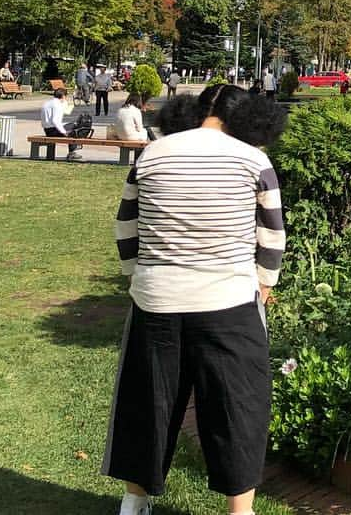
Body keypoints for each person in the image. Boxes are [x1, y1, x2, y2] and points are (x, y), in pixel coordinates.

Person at [103, 85, 287, 515]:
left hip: (156, 299)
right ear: (248, 117)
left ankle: (134, 502)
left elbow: (125, 226)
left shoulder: (153, 153)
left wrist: (138, 278)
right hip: (228, 299)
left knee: (147, 402)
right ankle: (240, 512)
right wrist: (264, 283)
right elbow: (272, 232)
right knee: (238, 406)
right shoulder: (254, 159)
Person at [41, 88, 82, 161]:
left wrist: (68, 104)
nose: (66, 98)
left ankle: (52, 155)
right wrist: (64, 132)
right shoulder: (57, 104)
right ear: (63, 96)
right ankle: (72, 152)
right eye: (65, 96)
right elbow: (55, 121)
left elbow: (66, 111)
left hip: (47, 130)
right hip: (54, 130)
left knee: (70, 126)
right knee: (75, 128)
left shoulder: (48, 103)